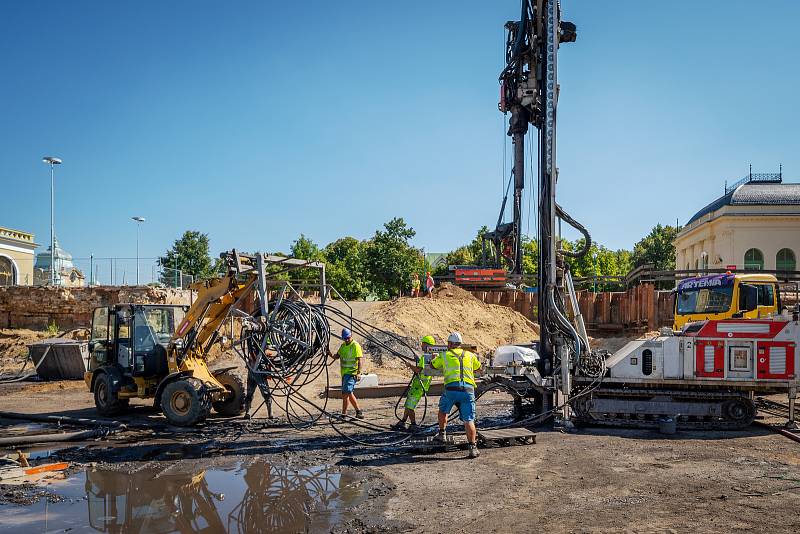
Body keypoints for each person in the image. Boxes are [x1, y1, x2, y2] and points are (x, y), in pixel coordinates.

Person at [431, 332, 482, 459]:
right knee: (469, 419)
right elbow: (478, 368)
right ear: (460, 344)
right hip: (468, 390)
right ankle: (472, 448)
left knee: (443, 410)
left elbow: (432, 365)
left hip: (451, 389)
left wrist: (434, 358)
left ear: (449, 344)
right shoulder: (470, 355)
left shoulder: (444, 355)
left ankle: (442, 434)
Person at [391, 335, 436, 431]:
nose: (421, 345)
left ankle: (413, 424)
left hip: (418, 386)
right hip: (422, 385)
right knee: (408, 404)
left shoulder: (425, 357)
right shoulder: (433, 357)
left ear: (427, 345)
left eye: (423, 344)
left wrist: (409, 365)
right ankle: (402, 422)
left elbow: (418, 370)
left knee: (409, 406)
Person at [330, 328, 364, 419]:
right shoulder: (343, 346)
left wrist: (359, 373)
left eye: (348, 338)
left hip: (352, 373)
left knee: (346, 393)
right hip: (344, 374)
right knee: (347, 393)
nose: (347, 340)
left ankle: (345, 414)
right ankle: (357, 412)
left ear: (351, 336)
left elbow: (360, 359)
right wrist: (329, 353)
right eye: (345, 338)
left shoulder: (355, 345)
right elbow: (336, 356)